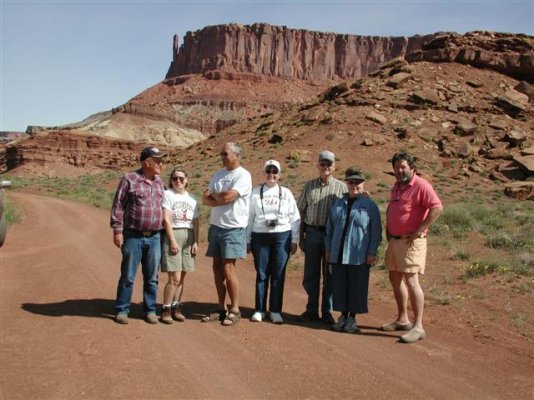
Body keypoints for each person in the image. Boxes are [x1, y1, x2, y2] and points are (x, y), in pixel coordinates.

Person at [381, 151, 442, 343]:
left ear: (412, 168)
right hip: (395, 240)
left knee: (411, 280)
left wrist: (420, 229)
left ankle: (418, 326)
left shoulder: (421, 185)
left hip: (411, 242)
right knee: (394, 277)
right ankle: (403, 319)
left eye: (403, 167)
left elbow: (437, 207)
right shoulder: (396, 187)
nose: (400, 170)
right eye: (397, 167)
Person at [110, 147, 167, 324]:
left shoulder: (159, 182)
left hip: (155, 237)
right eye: (157, 161)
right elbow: (118, 206)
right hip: (133, 236)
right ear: (146, 162)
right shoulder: (129, 179)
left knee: (152, 277)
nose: (161, 164)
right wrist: (117, 231)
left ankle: (150, 310)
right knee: (128, 276)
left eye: (161, 161)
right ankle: (122, 310)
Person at [325, 167, 382, 333]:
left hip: (359, 254)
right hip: (338, 253)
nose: (354, 185)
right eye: (351, 182)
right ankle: (342, 316)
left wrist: (372, 252)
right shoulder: (338, 203)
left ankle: (352, 319)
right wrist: (329, 249)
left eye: (357, 182)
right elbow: (330, 229)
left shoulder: (369, 206)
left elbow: (376, 231)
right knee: (340, 286)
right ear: (346, 184)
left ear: (363, 184)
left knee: (357, 286)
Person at [202, 142, 252, 326]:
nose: (222, 156)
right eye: (221, 154)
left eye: (225, 153)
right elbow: (205, 200)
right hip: (216, 227)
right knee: (216, 267)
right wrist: (219, 197)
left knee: (228, 268)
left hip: (233, 228)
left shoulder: (243, 175)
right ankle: (221, 307)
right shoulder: (218, 174)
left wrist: (217, 196)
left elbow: (228, 197)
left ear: (237, 155)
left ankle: (235, 309)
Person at [246, 160, 300, 324]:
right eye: (268, 171)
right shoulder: (255, 193)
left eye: (274, 171)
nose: (271, 174)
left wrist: (294, 239)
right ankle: (259, 310)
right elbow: (249, 218)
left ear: (279, 174)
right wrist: (247, 239)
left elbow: (295, 218)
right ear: (264, 173)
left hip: (281, 236)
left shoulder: (286, 193)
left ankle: (275, 310)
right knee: (262, 274)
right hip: (260, 236)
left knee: (278, 274)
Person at [297, 150, 347, 324]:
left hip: (331, 237)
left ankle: (327, 311)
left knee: (329, 275)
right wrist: (301, 236)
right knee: (311, 274)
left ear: (334, 167)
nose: (325, 167)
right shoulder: (309, 186)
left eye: (329, 164)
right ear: (318, 165)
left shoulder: (341, 188)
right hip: (311, 233)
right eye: (323, 164)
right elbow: (301, 211)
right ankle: (311, 309)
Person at [159, 168, 199, 324]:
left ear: (187, 180)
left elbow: (195, 221)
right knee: (174, 278)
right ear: (171, 180)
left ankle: (177, 308)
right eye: (175, 178)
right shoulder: (168, 195)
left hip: (189, 236)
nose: (178, 181)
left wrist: (196, 241)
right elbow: (166, 220)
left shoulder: (192, 198)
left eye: (181, 178)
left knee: (182, 277)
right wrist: (172, 240)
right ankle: (165, 310)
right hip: (174, 234)